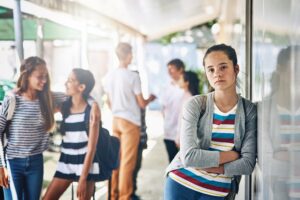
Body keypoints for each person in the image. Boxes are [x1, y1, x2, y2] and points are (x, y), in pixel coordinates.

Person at [165, 44, 257, 200]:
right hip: (181, 183)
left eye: (223, 67)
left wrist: (210, 165)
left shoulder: (248, 110)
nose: (217, 74)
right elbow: (188, 157)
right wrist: (232, 155)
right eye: (211, 69)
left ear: (236, 69)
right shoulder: (195, 104)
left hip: (217, 192)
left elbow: (247, 164)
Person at [103, 42, 155, 200]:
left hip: (116, 120)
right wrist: (151, 98)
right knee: (127, 162)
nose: (132, 56)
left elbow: (109, 102)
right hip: (131, 122)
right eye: (131, 53)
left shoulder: (109, 76)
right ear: (127, 55)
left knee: (116, 160)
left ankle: (113, 195)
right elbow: (141, 103)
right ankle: (125, 196)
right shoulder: (133, 76)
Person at [0, 57, 57, 199]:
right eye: (39, 77)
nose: (44, 80)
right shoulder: (12, 99)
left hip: (36, 162)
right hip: (13, 163)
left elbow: (73, 96)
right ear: (27, 76)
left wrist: (93, 104)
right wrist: (1, 167)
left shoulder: (46, 98)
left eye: (45, 76)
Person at [43, 68, 100, 200]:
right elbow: (44, 95)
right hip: (66, 161)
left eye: (70, 80)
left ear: (81, 87)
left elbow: (92, 148)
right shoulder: (64, 107)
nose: (65, 83)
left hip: (86, 164)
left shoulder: (92, 111)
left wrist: (83, 179)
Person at [160, 58, 185, 163]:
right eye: (168, 69)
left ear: (181, 70)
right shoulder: (166, 87)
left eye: (172, 69)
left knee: (186, 163)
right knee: (173, 163)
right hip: (169, 132)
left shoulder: (187, 87)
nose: (169, 71)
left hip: (185, 132)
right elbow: (163, 109)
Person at [175, 71, 200, 147]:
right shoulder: (186, 95)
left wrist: (179, 137)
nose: (178, 81)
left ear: (187, 82)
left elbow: (184, 120)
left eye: (180, 79)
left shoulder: (189, 99)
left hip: (186, 138)